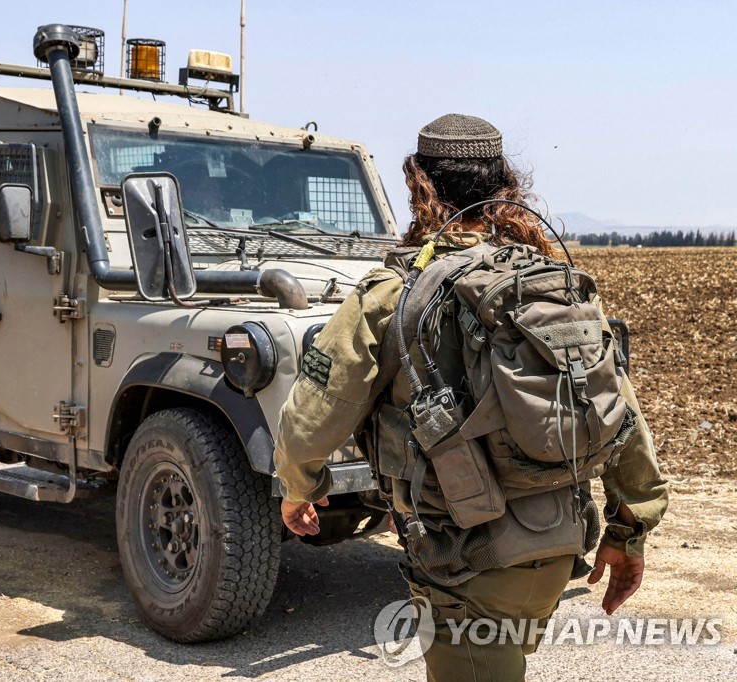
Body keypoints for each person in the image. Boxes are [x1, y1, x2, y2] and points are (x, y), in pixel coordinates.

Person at [272, 114, 669, 680]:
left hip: (466, 560)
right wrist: (630, 533)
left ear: (419, 187)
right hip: (556, 547)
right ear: (506, 186)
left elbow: (312, 417)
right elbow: (620, 415)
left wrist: (297, 489)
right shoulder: (550, 284)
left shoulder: (395, 293)